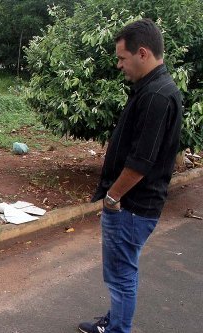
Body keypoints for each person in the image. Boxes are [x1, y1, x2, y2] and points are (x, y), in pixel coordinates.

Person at [79, 18, 183, 333]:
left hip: (131, 207)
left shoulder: (156, 96)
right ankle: (115, 320)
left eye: (122, 58)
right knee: (124, 270)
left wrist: (113, 198)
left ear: (142, 53)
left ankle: (117, 329)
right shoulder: (153, 88)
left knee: (120, 274)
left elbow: (141, 161)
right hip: (136, 206)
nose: (119, 65)